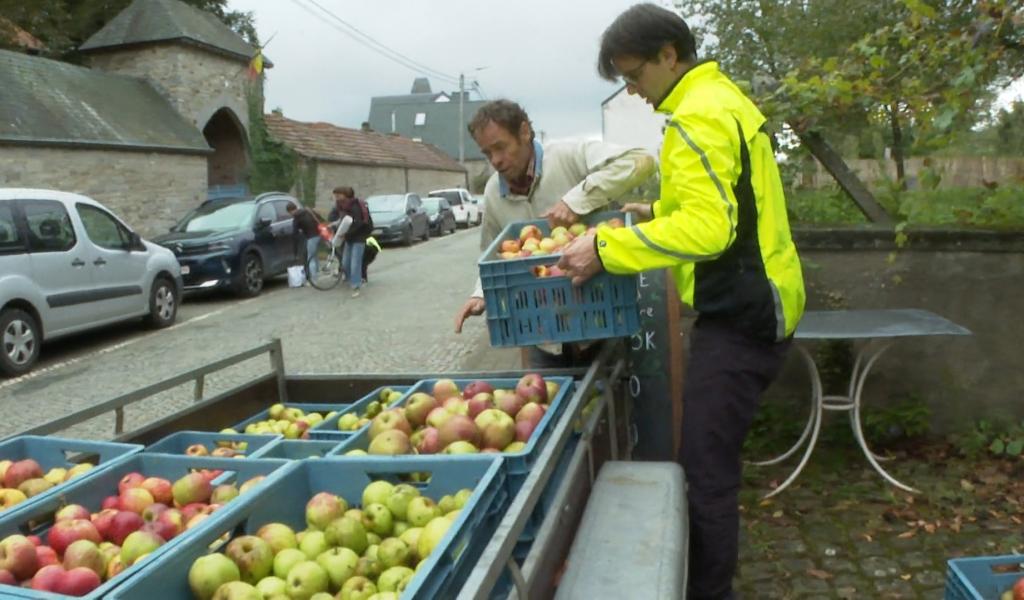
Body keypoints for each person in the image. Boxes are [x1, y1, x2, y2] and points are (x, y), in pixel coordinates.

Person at [556, 5, 806, 598]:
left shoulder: (696, 117)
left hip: (742, 317)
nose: (634, 91)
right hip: (764, 300)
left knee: (706, 472)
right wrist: (657, 212)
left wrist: (608, 248)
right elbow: (727, 205)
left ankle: (709, 591)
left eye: (635, 75)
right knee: (710, 459)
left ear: (669, 55)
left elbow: (711, 232)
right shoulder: (720, 99)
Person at [452, 99, 657, 368]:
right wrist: (480, 294)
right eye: (487, 153)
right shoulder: (493, 192)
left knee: (610, 402)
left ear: (524, 132)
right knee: (549, 405)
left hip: (602, 319)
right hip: (542, 333)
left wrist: (576, 200)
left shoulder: (570, 155)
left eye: (500, 147)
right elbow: (491, 249)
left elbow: (641, 160)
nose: (496, 161)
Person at [330, 186, 372, 297]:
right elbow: (343, 220)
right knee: (345, 262)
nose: (336, 197)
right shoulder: (342, 206)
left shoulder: (355, 206)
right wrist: (334, 225)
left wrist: (345, 234)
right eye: (335, 195)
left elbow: (359, 223)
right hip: (348, 238)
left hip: (358, 238)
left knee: (355, 263)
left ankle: (356, 285)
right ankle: (351, 280)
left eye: (338, 195)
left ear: (345, 195)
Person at [286, 202, 321, 281]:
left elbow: (295, 234)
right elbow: (319, 218)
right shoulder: (307, 210)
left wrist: (295, 251)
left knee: (310, 259)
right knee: (314, 255)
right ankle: (317, 273)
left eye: (289, 213)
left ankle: (314, 279)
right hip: (319, 234)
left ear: (290, 211)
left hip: (311, 237)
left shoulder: (297, 218)